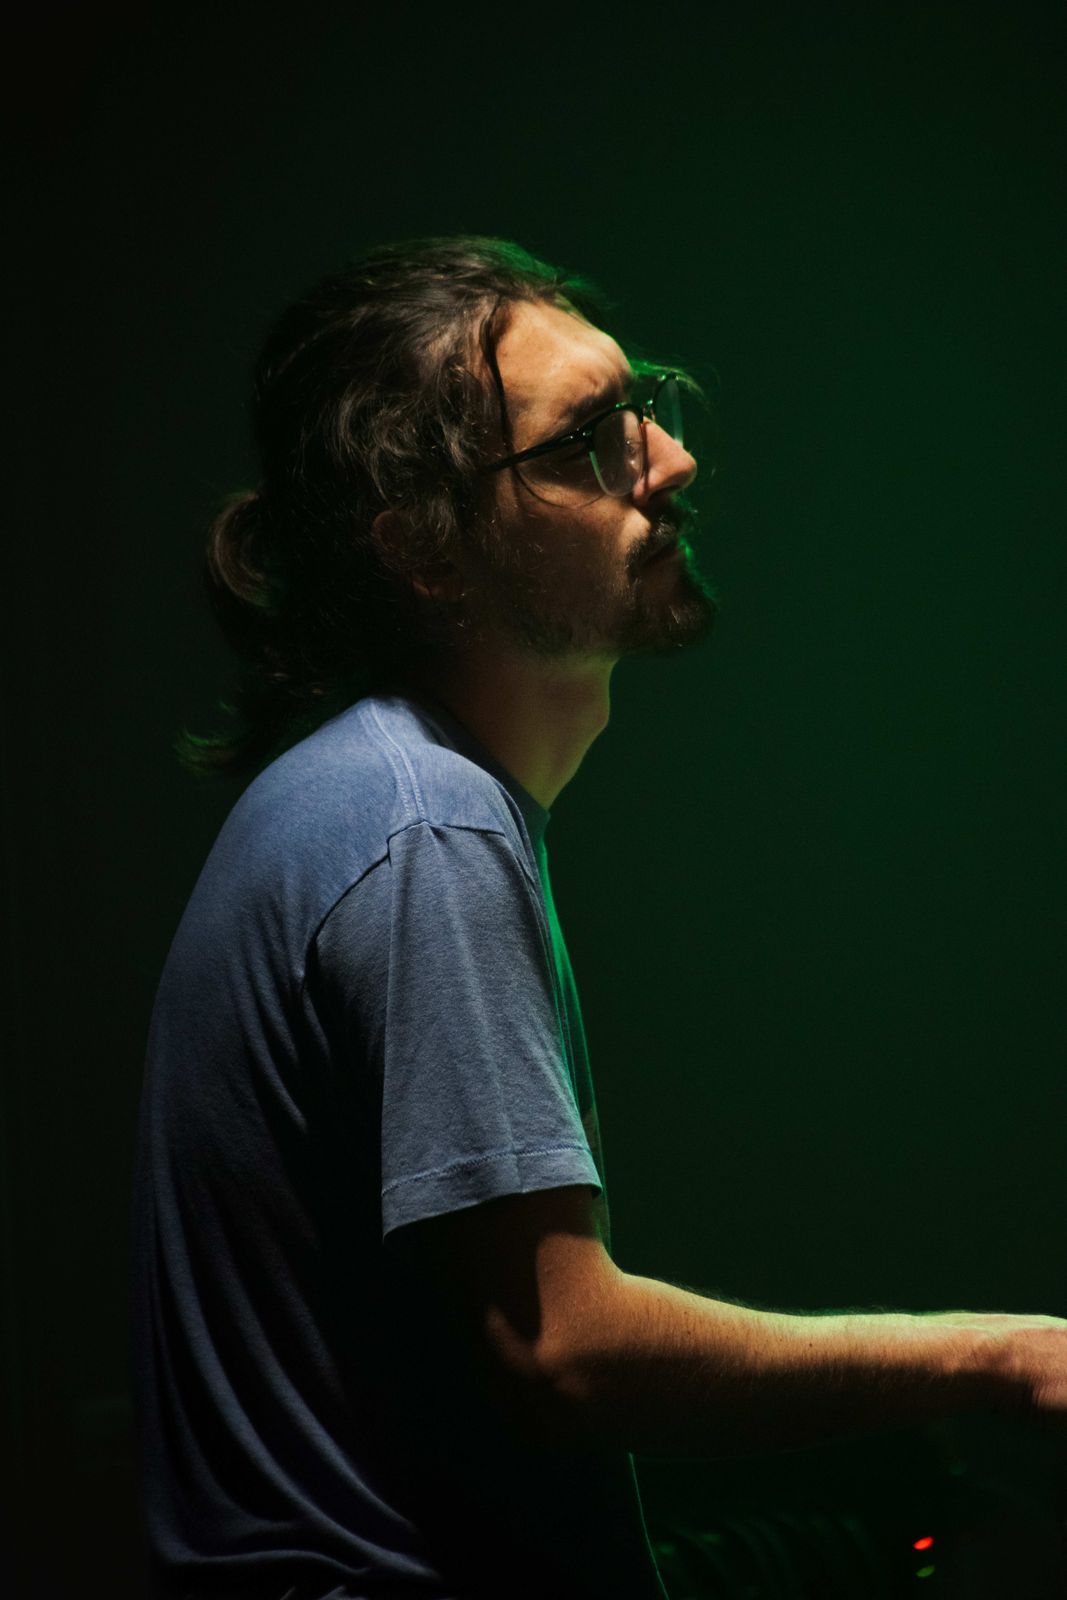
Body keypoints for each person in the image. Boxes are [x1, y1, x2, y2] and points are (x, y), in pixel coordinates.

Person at [132, 236, 1067, 1600]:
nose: (669, 462)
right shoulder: (426, 829)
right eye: (586, 443)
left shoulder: (378, 796)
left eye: (647, 407)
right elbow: (561, 1353)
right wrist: (1014, 1358)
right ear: (427, 550)